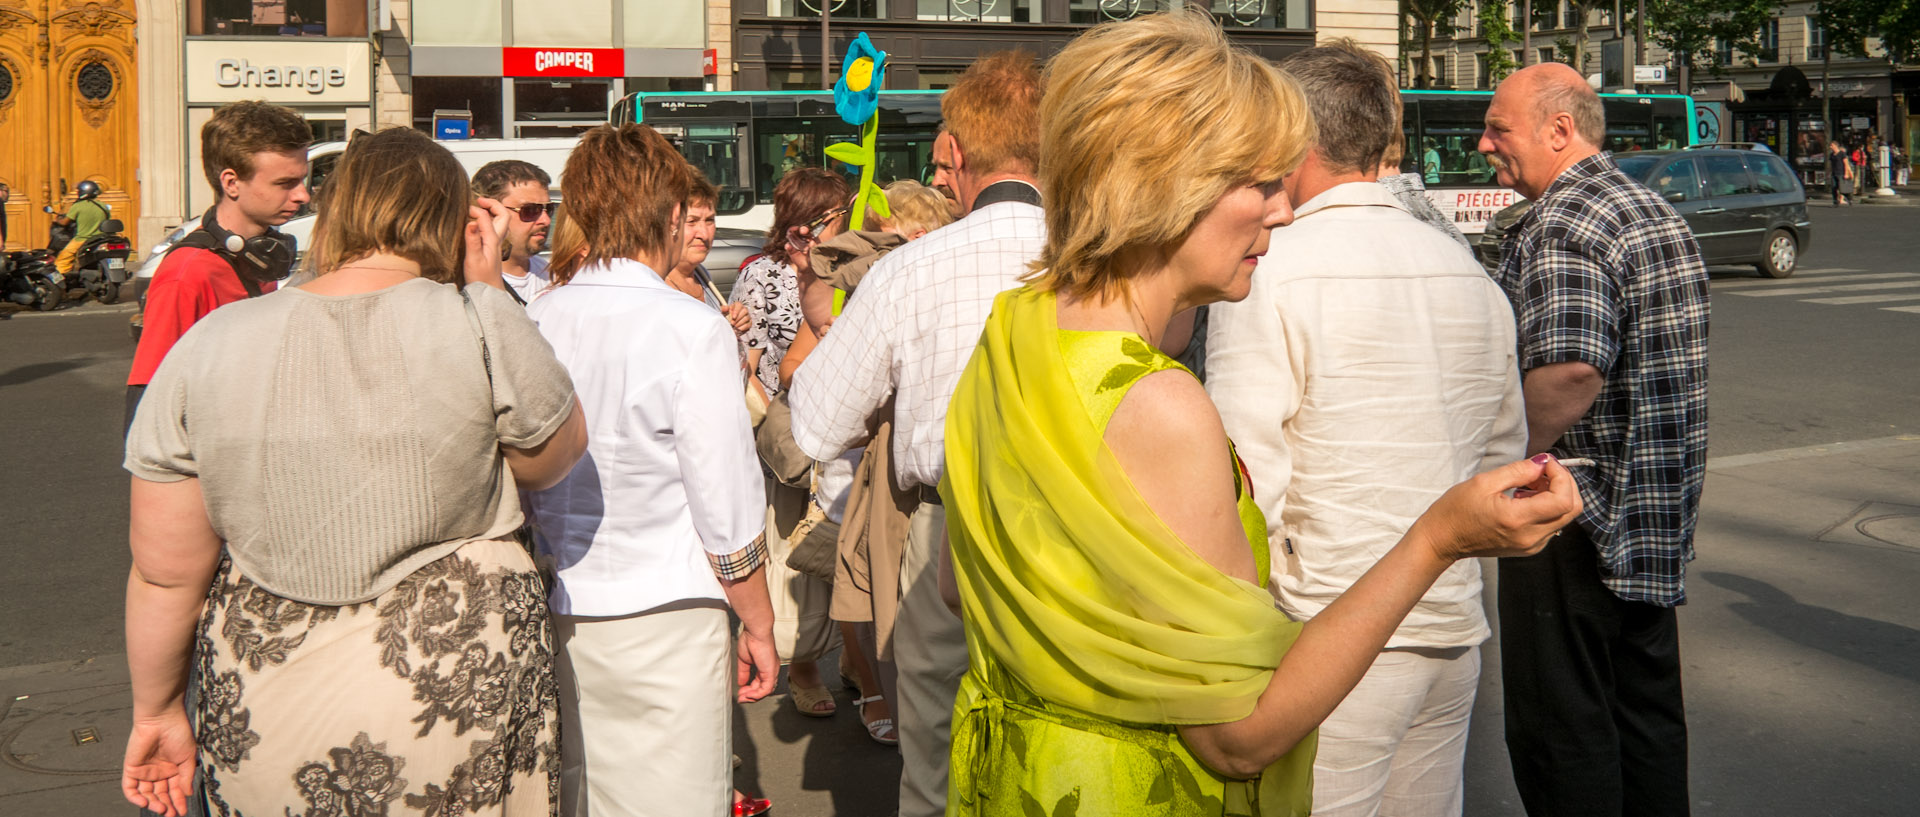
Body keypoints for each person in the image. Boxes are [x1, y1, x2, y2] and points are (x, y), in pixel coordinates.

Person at [936, 13, 1581, 817]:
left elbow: (961, 589)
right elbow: (1238, 736)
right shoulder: (1161, 403)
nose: (1281, 210)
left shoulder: (1013, 327)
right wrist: (1438, 536)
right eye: (1259, 181)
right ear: (1163, 181)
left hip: (1022, 774)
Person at [120, 125, 589, 817]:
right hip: (453, 684)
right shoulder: (476, 318)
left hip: (271, 684)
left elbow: (164, 571)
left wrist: (156, 709)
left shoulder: (209, 344)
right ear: (451, 218)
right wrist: (489, 291)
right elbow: (551, 456)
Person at [1207, 41, 1526, 817]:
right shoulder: (1468, 270)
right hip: (1448, 629)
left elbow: (1248, 480)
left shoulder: (1267, 268)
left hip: (1327, 636)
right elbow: (1501, 457)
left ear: (1294, 141)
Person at [789, 50, 1045, 817]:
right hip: (1074, 525)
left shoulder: (914, 268)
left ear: (957, 153)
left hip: (947, 529)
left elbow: (817, 422)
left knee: (933, 762)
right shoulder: (1103, 252)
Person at [522, 123, 780, 817]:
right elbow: (723, 503)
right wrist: (758, 620)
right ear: (669, 213)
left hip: (561, 599)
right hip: (667, 607)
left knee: (582, 789)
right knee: (673, 796)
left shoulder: (539, 314)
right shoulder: (687, 325)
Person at [1480, 63, 1710, 817]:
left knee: (1562, 728)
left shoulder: (1567, 219)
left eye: (1498, 128)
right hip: (1650, 514)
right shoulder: (1650, 209)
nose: (1484, 144)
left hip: (1571, 514)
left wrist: (1499, 471)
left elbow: (1571, 371)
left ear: (1558, 130)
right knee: (1644, 718)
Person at [728, 165, 850, 719]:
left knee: (839, 546)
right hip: (790, 432)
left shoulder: (854, 264)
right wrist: (769, 424)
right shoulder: (761, 273)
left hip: (844, 429)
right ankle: (802, 664)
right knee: (793, 546)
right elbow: (749, 360)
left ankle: (851, 654)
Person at [126, 101, 311, 428]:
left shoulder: (259, 256)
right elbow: (147, 413)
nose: (303, 196)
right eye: (285, 183)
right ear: (231, 183)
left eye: (302, 181)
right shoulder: (187, 275)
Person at [664, 168, 751, 334]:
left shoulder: (700, 274)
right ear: (667, 224)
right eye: (692, 221)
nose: (704, 234)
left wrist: (733, 324)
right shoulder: (657, 287)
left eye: (710, 220)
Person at [470, 160, 554, 304]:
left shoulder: (553, 277)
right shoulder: (463, 285)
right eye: (530, 210)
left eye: (549, 209)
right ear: (490, 212)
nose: (545, 220)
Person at [50, 179, 111, 277]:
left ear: (83, 192)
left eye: (78, 191)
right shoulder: (103, 206)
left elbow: (65, 222)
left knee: (63, 258)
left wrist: (57, 220)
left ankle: (60, 281)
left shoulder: (78, 206)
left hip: (83, 238)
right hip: (101, 238)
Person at [1828, 140, 1852, 206]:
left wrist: (1846, 173)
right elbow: (1831, 164)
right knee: (1834, 187)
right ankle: (1835, 201)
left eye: (1831, 145)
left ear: (1835, 146)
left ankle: (1848, 198)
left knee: (1842, 188)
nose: (1830, 147)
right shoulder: (1831, 155)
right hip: (1834, 173)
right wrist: (1829, 172)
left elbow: (1846, 164)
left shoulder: (1842, 154)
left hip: (1841, 173)